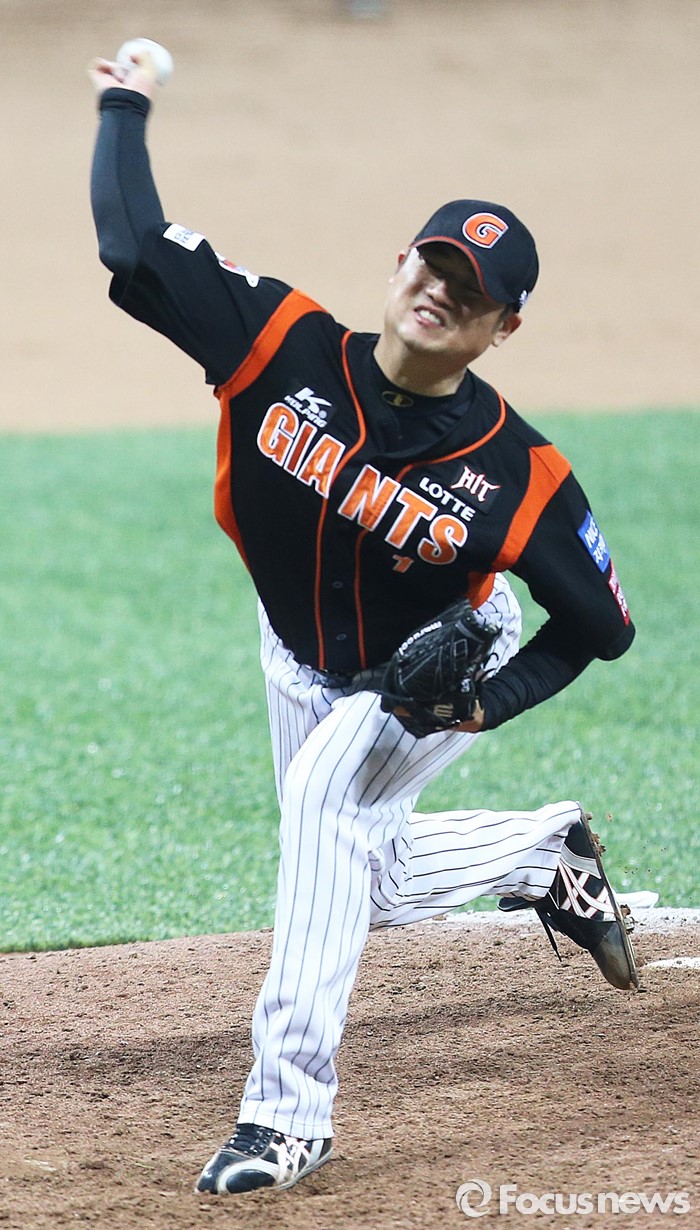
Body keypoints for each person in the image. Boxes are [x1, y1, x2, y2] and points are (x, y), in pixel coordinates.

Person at [88, 50, 637, 1197]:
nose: (441, 292)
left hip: (432, 670)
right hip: (297, 658)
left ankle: (285, 1117)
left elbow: (602, 625)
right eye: (434, 264)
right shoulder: (280, 344)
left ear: (502, 327)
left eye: (470, 291)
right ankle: (543, 852)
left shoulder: (516, 473)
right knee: (365, 880)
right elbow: (134, 247)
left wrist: (487, 701)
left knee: (322, 805)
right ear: (400, 263)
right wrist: (123, 103)